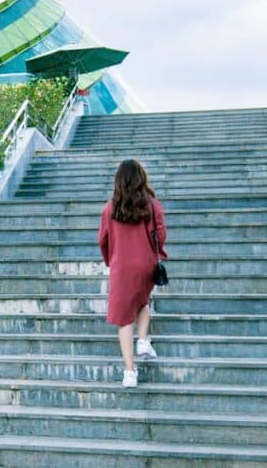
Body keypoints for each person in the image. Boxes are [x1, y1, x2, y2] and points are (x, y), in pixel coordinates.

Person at [98, 159, 168, 387]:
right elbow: (161, 233)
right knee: (142, 300)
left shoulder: (110, 208)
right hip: (146, 262)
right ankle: (144, 340)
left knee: (124, 319)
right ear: (141, 178)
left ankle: (129, 373)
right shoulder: (152, 204)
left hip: (122, 265)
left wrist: (111, 260)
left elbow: (103, 239)